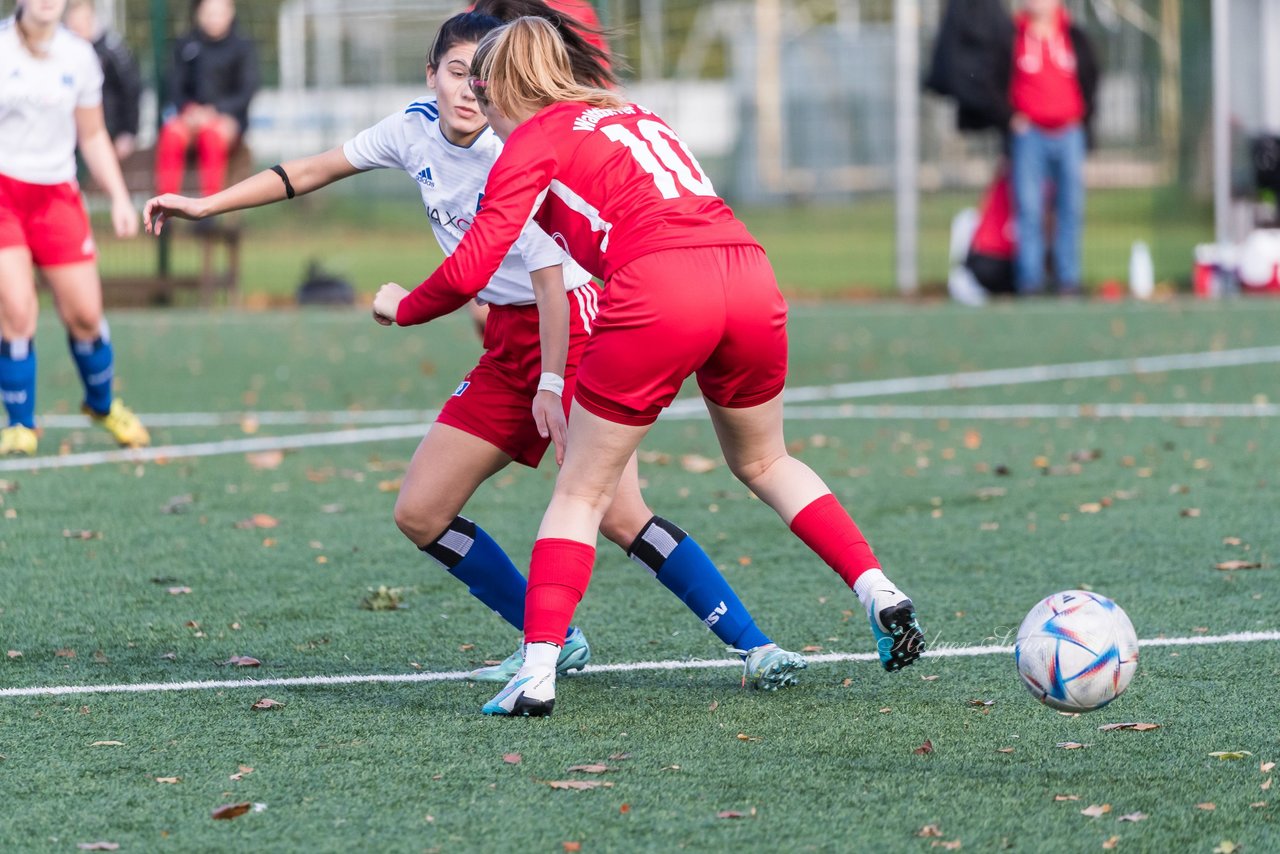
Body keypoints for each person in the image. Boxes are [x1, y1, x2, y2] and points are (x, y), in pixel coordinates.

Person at [143, 8, 807, 691]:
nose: (468, 91)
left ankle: (754, 645)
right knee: (421, 512)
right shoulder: (412, 128)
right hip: (506, 342)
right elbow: (310, 169)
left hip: (572, 332)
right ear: (431, 73)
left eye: (482, 80)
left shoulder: (516, 150)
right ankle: (551, 638)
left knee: (617, 512)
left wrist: (552, 383)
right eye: (456, 72)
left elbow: (552, 282)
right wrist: (204, 205)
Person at [371, 17, 926, 717]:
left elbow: (471, 268)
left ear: (499, 85)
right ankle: (876, 587)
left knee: (581, 492)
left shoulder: (531, 140)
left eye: (483, 88)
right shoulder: (629, 112)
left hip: (661, 287)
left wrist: (405, 306)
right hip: (748, 272)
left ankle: (538, 669)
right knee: (765, 461)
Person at [0, 0, 149, 456]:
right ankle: (20, 425)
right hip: (4, 192)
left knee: (86, 316)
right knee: (18, 311)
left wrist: (121, 197)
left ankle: (102, 405)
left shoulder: (79, 56)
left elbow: (92, 134)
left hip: (56, 197)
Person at [1005, 0, 1098, 295]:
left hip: (1069, 132)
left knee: (1071, 208)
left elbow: (1092, 77)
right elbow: (995, 79)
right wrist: (1009, 117)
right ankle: (1029, 280)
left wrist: (1083, 118)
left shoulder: (1074, 35)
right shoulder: (1012, 37)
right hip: (1029, 134)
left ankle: (1067, 279)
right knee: (1029, 209)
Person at [154, 0, 258, 198]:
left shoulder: (242, 47)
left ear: (230, 12)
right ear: (198, 14)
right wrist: (189, 110)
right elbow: (174, 86)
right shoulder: (185, 45)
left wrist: (216, 112)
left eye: (219, 12)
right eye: (209, 12)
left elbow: (246, 91)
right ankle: (163, 211)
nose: (214, 18)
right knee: (171, 134)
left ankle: (208, 214)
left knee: (211, 135)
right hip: (190, 116)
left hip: (227, 119)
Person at [63, 0, 141, 162]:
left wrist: (128, 131)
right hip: (68, 133)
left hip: (105, 130)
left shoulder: (113, 51)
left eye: (82, 22)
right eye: (74, 24)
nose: (77, 29)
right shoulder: (60, 51)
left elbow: (131, 90)